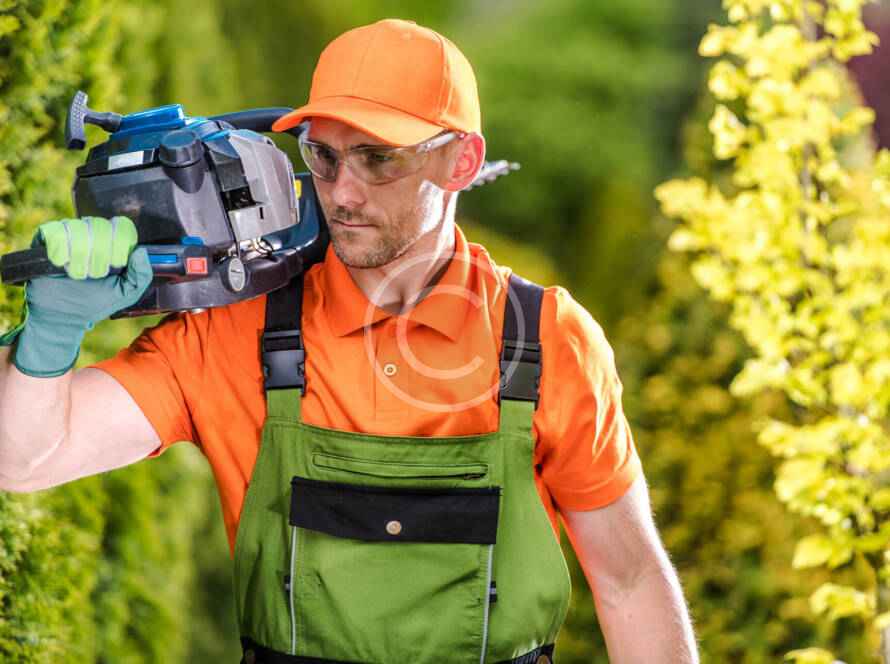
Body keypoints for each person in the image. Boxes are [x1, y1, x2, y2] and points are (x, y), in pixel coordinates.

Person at [0, 18, 698, 664]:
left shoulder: (545, 342)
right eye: (324, 156)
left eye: (378, 159)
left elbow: (631, 581)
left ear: (461, 162)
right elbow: (25, 460)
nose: (343, 193)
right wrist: (51, 333)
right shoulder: (232, 330)